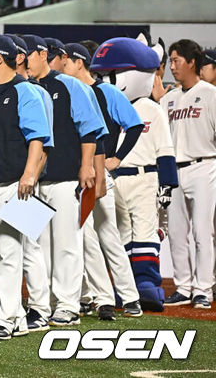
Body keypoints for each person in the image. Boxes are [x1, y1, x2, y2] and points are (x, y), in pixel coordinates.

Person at [22, 34, 111, 324]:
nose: (23, 60)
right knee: (35, 245)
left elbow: (89, 131)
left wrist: (87, 167)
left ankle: (68, 304)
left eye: (27, 54)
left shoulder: (69, 85)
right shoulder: (25, 88)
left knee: (66, 243)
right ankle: (40, 303)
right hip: (32, 183)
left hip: (63, 177)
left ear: (41, 53)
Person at [0, 33, 50, 341]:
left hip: (16, 185)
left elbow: (37, 138)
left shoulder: (26, 92)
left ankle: (5, 317)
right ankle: (16, 315)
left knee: (13, 251)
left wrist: (30, 175)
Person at [91, 36, 177, 312]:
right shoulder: (109, 105)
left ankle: (147, 285)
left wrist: (167, 184)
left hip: (145, 176)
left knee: (145, 232)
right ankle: (125, 286)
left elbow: (165, 150)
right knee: (121, 235)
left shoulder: (153, 109)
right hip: (115, 179)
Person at [62, 42, 143, 320]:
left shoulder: (105, 91)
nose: (62, 66)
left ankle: (129, 297)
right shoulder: (69, 92)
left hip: (99, 173)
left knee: (106, 236)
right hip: (78, 173)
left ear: (79, 62)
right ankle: (99, 297)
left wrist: (117, 157)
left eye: (66, 61)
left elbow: (134, 125)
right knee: (87, 238)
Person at [162, 39, 216, 309]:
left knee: (202, 232)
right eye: (170, 61)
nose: (172, 66)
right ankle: (183, 287)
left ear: (192, 62)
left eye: (176, 60)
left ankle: (203, 288)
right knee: (177, 232)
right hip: (174, 170)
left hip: (204, 164)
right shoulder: (168, 99)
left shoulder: (210, 94)